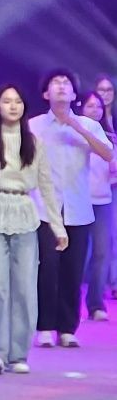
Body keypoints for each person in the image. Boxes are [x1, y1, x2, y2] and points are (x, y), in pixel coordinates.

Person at [0, 85, 66, 374]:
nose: (13, 106)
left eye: (18, 101)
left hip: (24, 213)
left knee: (25, 287)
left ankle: (18, 353)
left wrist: (57, 226)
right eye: (7, 101)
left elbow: (46, 185)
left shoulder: (34, 143)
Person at [30, 70, 113, 348]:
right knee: (47, 268)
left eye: (66, 83)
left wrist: (76, 126)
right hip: (45, 208)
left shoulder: (88, 125)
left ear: (74, 94)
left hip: (78, 208)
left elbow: (107, 154)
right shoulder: (34, 126)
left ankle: (67, 329)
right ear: (46, 93)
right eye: (56, 82)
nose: (62, 86)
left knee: (72, 270)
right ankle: (44, 326)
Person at [80, 90, 114, 321]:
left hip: (102, 201)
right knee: (77, 254)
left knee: (101, 253)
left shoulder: (108, 137)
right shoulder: (73, 134)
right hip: (77, 201)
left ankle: (96, 304)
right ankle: (67, 303)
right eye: (90, 106)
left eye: (98, 107)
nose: (95, 110)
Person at [95, 74, 117, 301]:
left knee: (115, 235)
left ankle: (114, 281)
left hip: (115, 184)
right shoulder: (90, 120)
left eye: (109, 90)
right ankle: (98, 284)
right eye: (101, 90)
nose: (105, 94)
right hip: (96, 184)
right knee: (100, 240)